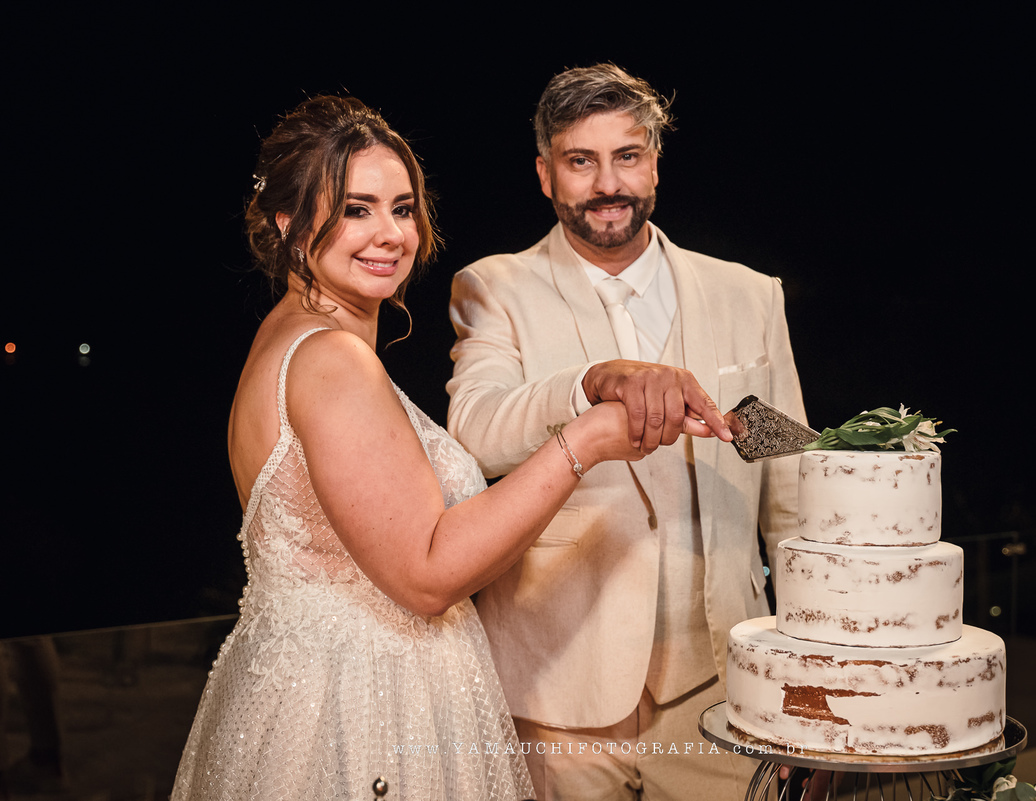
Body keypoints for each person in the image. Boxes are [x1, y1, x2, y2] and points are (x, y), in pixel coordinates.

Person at [171, 95, 677, 801]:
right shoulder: (331, 361)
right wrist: (586, 437)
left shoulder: (287, 339)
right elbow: (429, 573)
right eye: (356, 209)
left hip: (309, 688)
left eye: (402, 208)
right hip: (364, 713)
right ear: (289, 222)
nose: (389, 234)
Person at [446, 64, 808, 800]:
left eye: (627, 157)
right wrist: (589, 384)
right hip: (558, 700)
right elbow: (477, 429)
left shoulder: (751, 295)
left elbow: (794, 496)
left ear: (654, 165)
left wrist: (806, 692)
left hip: (725, 693)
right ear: (546, 175)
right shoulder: (494, 288)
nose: (608, 183)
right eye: (581, 161)